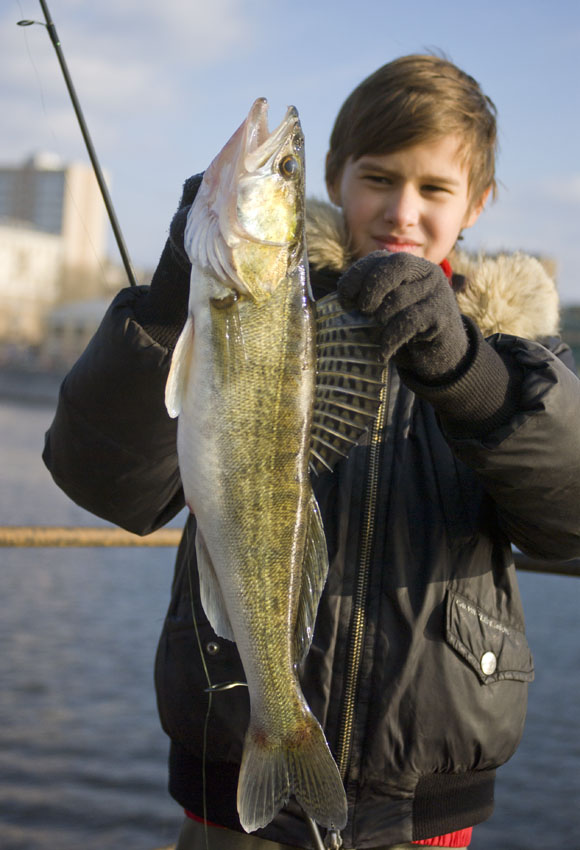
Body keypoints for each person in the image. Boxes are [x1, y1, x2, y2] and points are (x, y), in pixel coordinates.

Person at [43, 54, 580, 850]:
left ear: (477, 202)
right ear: (335, 177)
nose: (403, 210)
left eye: (434, 188)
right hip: (230, 787)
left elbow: (568, 522)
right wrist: (168, 300)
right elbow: (107, 482)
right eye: (379, 178)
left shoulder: (515, 363)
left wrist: (471, 377)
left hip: (423, 809)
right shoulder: (235, 307)